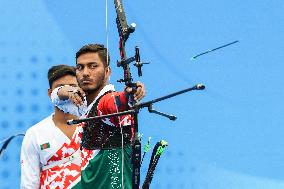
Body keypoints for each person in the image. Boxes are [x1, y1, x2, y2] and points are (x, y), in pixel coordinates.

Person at [54, 44, 145, 189]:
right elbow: (56, 95)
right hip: (91, 178)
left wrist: (128, 95)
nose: (85, 73)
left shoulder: (105, 101)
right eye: (80, 67)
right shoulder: (81, 102)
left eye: (93, 66)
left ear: (108, 71)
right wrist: (69, 91)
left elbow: (115, 103)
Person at [20, 65, 85, 189]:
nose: (68, 92)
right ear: (51, 93)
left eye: (73, 87)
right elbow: (29, 185)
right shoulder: (35, 134)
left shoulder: (93, 124)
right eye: (60, 88)